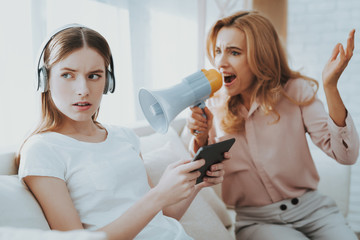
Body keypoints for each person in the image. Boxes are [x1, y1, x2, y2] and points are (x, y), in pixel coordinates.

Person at [16, 24, 227, 240]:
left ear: (108, 82)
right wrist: (158, 194)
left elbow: (162, 217)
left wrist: (197, 182)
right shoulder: (42, 150)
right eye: (68, 75)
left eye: (94, 76)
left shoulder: (123, 136)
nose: (83, 90)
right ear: (45, 80)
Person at [187, 10, 359, 240]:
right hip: (257, 221)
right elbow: (202, 173)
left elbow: (346, 155)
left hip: (315, 211)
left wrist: (330, 87)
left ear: (261, 55)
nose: (220, 62)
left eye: (234, 52)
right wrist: (200, 135)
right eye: (218, 51)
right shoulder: (214, 106)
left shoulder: (295, 91)